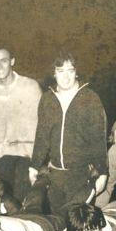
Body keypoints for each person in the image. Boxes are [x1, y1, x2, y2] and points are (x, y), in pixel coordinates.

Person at [31, 52, 107, 213]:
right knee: (57, 221)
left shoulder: (90, 98)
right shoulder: (47, 99)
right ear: (54, 73)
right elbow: (42, 135)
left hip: (81, 175)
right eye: (60, 71)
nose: (66, 77)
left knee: (78, 223)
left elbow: (98, 138)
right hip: (55, 174)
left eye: (70, 70)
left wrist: (102, 172)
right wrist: (34, 166)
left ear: (76, 72)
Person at [0, 46, 42, 201]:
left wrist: (38, 163)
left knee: (23, 207)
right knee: (1, 206)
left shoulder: (30, 87)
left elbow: (43, 126)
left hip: (26, 157)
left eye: (3, 61)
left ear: (12, 61)